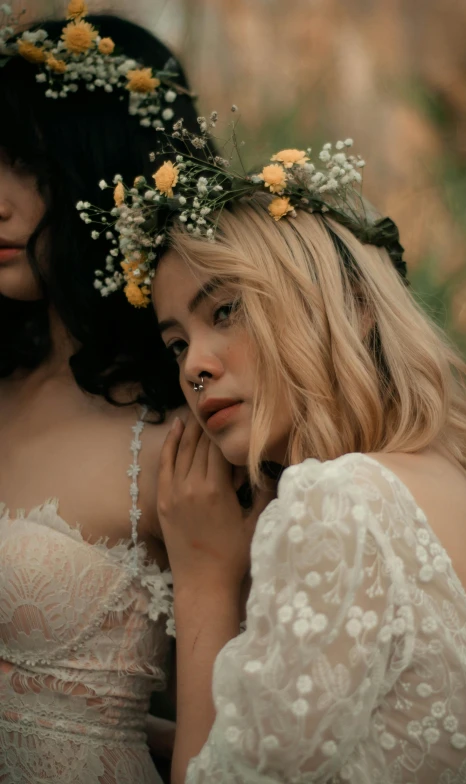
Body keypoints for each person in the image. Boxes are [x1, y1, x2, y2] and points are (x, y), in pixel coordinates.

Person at [107, 124, 466, 782]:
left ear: (351, 306)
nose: (195, 369)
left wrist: (204, 582)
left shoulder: (339, 502)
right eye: (176, 343)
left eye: (224, 311)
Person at [0, 5, 201, 782]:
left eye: (34, 168)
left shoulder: (182, 429)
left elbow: (240, 722)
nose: (1, 199)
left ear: (105, 182)